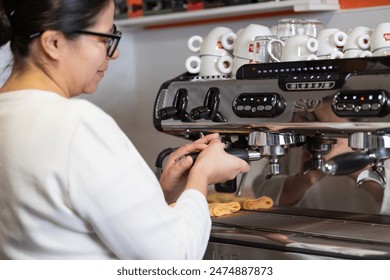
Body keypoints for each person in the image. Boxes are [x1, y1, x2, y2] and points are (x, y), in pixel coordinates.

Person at [0, 0, 250, 259]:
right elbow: (174, 257)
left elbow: (58, 219)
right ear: (54, 43)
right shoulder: (77, 125)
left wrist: (158, 195)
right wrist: (202, 176)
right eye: (105, 38)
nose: (114, 53)